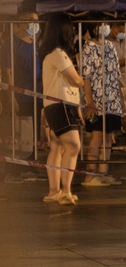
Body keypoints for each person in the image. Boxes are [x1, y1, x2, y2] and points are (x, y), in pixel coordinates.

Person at [40, 15, 85, 205]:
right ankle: (65, 191)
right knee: (73, 146)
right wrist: (84, 81)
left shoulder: (51, 53)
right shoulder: (58, 53)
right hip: (61, 105)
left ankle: (53, 191)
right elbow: (75, 80)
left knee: (57, 147)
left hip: (55, 105)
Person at [80, 18, 124, 186]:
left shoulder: (111, 47)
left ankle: (103, 174)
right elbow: (86, 77)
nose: (105, 27)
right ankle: (89, 176)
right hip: (97, 100)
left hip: (113, 100)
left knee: (108, 136)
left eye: (107, 24)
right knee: (96, 136)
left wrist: (121, 99)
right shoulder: (88, 48)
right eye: (102, 24)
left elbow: (116, 76)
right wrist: (89, 101)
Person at [3, 0, 40, 181]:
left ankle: (30, 165)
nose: (36, 24)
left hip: (36, 94)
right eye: (32, 21)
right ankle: (14, 168)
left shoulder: (35, 43)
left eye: (37, 21)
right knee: (17, 133)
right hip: (19, 94)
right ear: (22, 22)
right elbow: (7, 71)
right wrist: (12, 96)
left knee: (33, 133)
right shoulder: (11, 43)